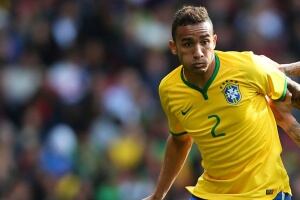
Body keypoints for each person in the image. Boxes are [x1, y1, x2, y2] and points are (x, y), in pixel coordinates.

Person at [144, 5, 300, 200]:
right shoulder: (169, 89)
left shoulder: (248, 67)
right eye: (188, 44)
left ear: (215, 41)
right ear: (173, 47)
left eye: (205, 42)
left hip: (264, 192)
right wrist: (158, 195)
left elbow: (292, 94)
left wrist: (289, 123)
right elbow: (179, 140)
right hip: (211, 194)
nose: (198, 52)